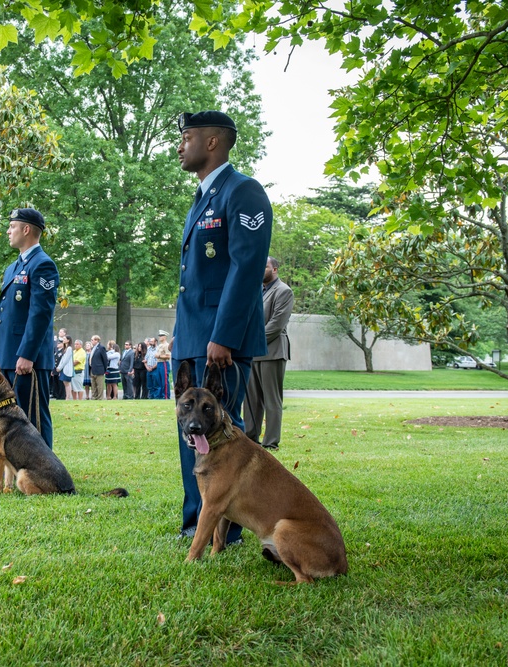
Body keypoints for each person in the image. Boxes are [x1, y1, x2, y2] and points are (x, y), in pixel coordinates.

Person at [172, 110, 272, 543]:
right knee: (192, 433)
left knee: (221, 436)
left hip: (219, 340)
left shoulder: (243, 191)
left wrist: (224, 335)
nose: (180, 146)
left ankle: (225, 532)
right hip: (196, 335)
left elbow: (247, 265)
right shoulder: (202, 197)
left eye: (186, 137)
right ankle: (197, 520)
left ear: (212, 142)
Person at [0, 208, 60, 449]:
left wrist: (27, 354)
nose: (8, 230)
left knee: (32, 416)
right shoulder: (12, 267)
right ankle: (19, 468)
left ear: (26, 229)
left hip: (27, 359)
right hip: (6, 354)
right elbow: (2, 314)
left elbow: (40, 314)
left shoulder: (43, 265)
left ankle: (44, 469)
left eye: (12, 226)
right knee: (10, 417)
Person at [243, 257, 294, 450]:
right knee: (251, 401)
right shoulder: (257, 291)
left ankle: (271, 442)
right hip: (253, 353)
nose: (260, 269)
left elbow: (276, 324)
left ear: (275, 268)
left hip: (272, 351)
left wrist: (252, 341)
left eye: (264, 266)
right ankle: (250, 439)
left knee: (272, 400)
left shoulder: (283, 291)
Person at [88, 335, 108, 400]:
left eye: (92, 340)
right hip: (92, 369)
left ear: (97, 340)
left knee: (99, 385)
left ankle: (100, 398)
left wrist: (104, 369)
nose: (91, 341)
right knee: (93, 385)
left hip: (99, 369)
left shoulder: (101, 348)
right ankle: (94, 397)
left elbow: (105, 359)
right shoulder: (93, 348)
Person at [154, 331, 172, 399]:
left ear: (164, 337)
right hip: (159, 363)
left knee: (164, 381)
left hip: (164, 363)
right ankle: (160, 395)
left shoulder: (166, 345)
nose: (159, 337)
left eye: (161, 336)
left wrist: (159, 356)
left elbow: (168, 356)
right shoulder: (160, 345)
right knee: (159, 381)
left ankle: (166, 396)